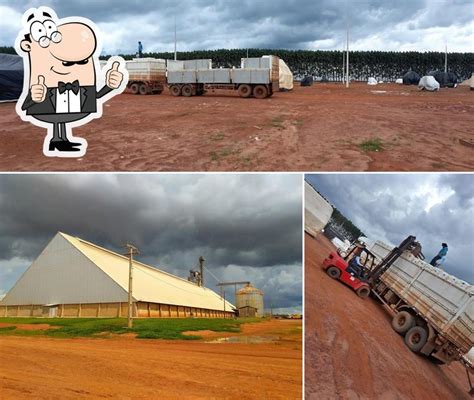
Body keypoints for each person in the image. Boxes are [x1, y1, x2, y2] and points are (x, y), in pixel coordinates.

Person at [16, 7, 126, 157]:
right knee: (56, 118)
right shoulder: (42, 85)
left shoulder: (82, 87)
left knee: (61, 119)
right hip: (49, 106)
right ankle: (57, 139)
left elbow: (96, 96)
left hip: (70, 104)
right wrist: (34, 97)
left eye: (82, 62)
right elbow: (25, 105)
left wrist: (110, 85)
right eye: (67, 63)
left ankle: (61, 139)